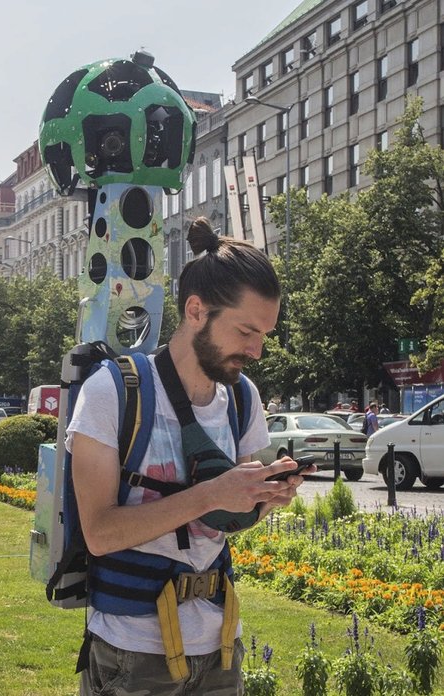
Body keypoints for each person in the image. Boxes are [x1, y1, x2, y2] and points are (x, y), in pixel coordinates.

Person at [68, 217, 312, 695]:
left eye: (264, 334)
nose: (257, 350)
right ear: (196, 310)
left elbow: (228, 514)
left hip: (220, 646)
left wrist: (264, 498)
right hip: (132, 652)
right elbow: (99, 533)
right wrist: (210, 494)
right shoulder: (113, 392)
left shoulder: (242, 399)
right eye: (246, 331)